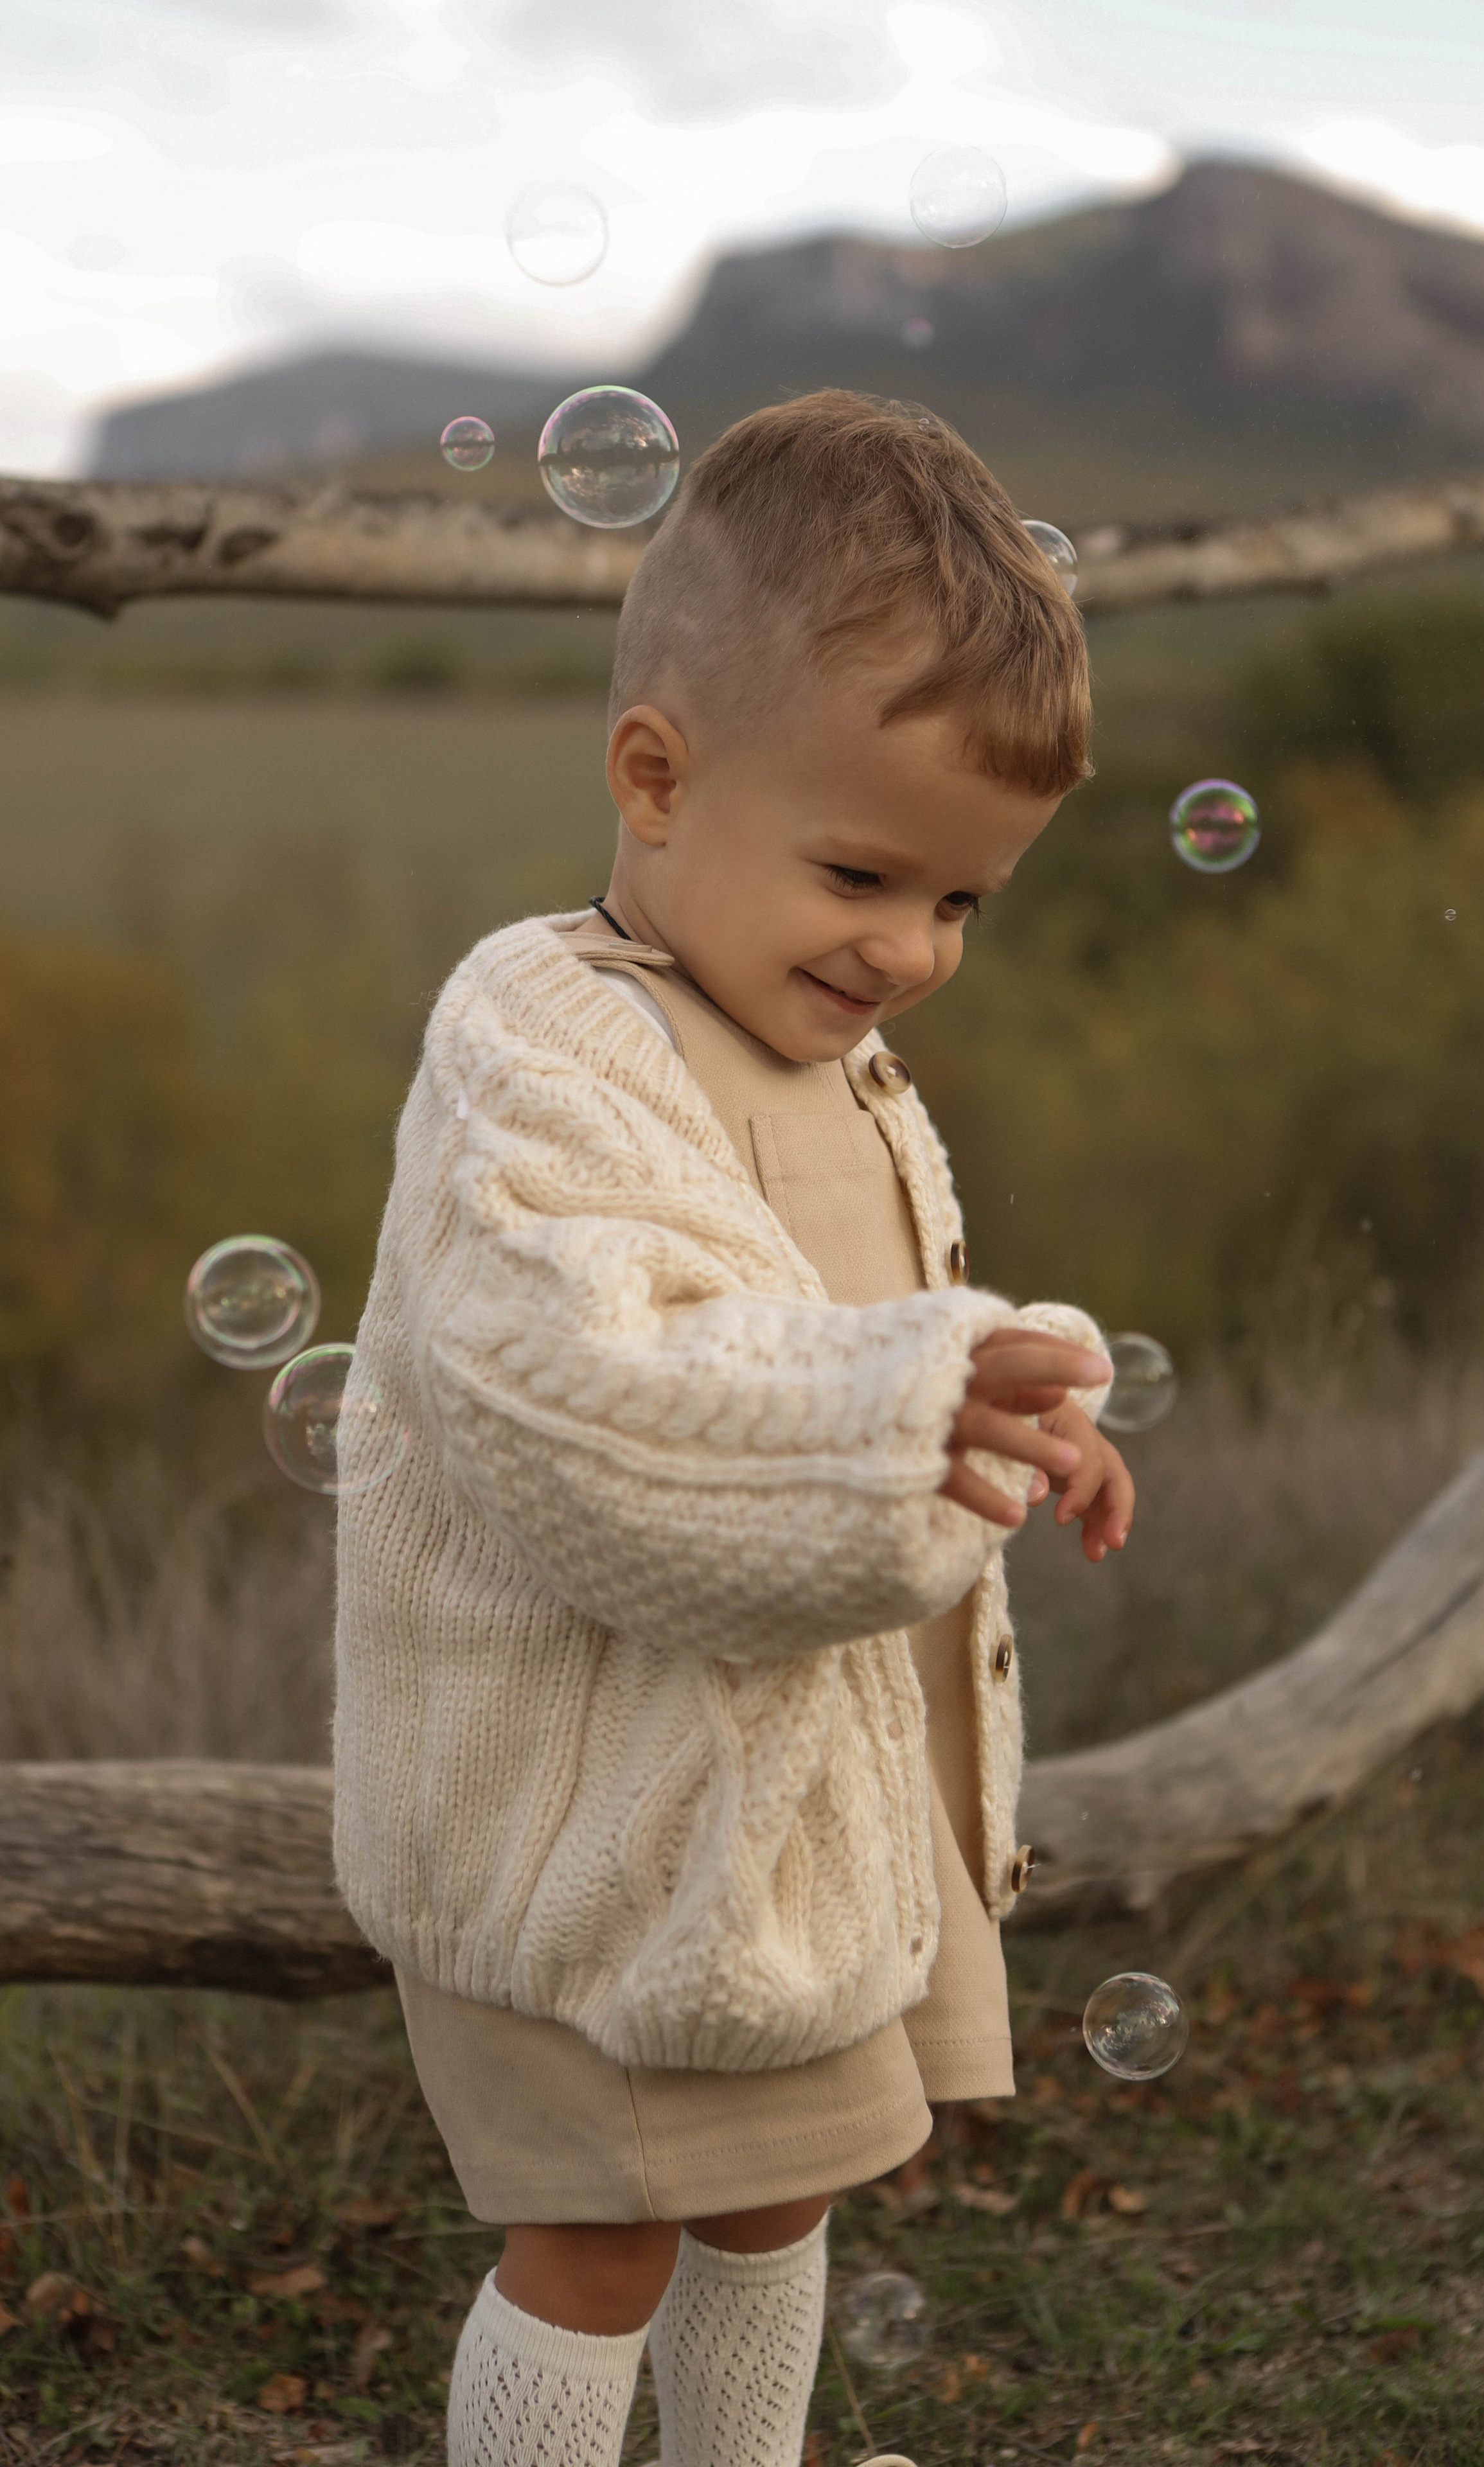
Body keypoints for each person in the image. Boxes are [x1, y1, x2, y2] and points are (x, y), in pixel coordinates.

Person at [333, 388, 1135, 2467]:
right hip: (585, 1833)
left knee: (781, 2195)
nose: (911, 952)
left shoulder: (831, 1051)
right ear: (655, 776)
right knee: (597, 2243)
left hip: (774, 1816)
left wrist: (1009, 1386)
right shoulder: (542, 1049)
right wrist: (892, 1407)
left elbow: (858, 1331)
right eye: (867, 873)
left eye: (964, 904)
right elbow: (584, 1402)